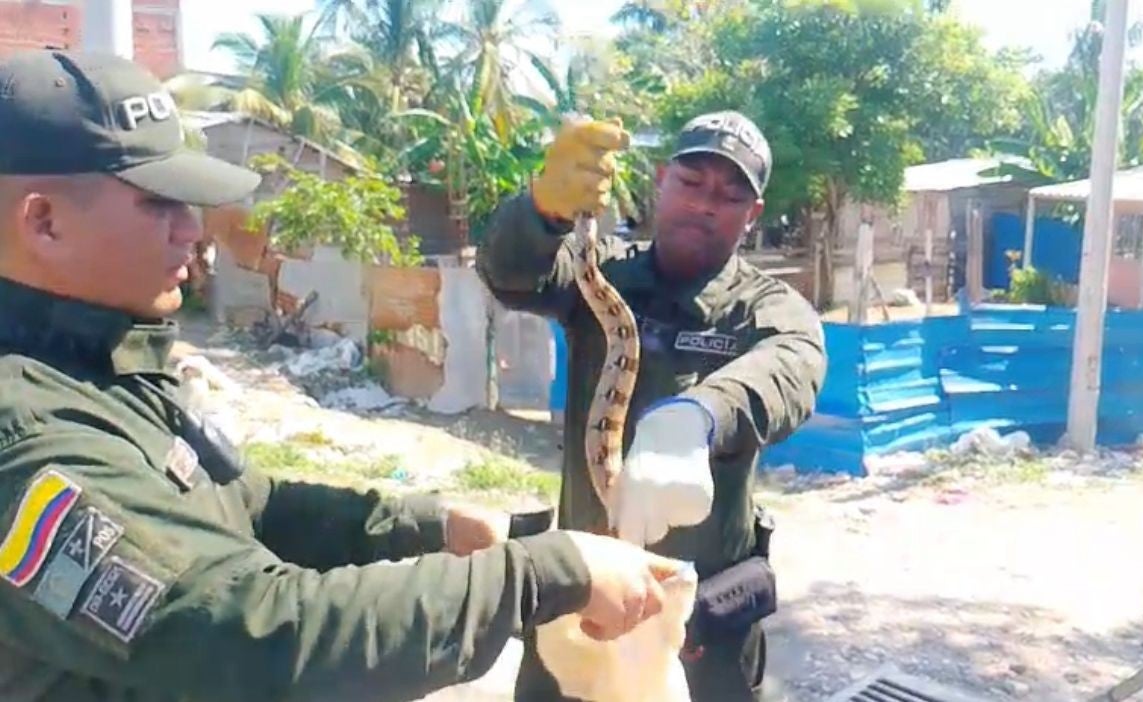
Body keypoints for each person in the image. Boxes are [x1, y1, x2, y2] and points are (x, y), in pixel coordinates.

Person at [0, 49, 683, 701]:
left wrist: (432, 526)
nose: (194, 231)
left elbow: (250, 504)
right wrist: (544, 575)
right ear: (45, 222)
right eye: (159, 204)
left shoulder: (109, 366)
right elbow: (263, 636)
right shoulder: (28, 439)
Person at [477, 112, 828, 700]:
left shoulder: (764, 305)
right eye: (691, 183)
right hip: (581, 599)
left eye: (730, 193)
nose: (706, 204)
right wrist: (543, 209)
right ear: (661, 180)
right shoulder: (599, 272)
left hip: (696, 628)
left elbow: (793, 363)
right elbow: (510, 274)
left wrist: (700, 415)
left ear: (753, 213)